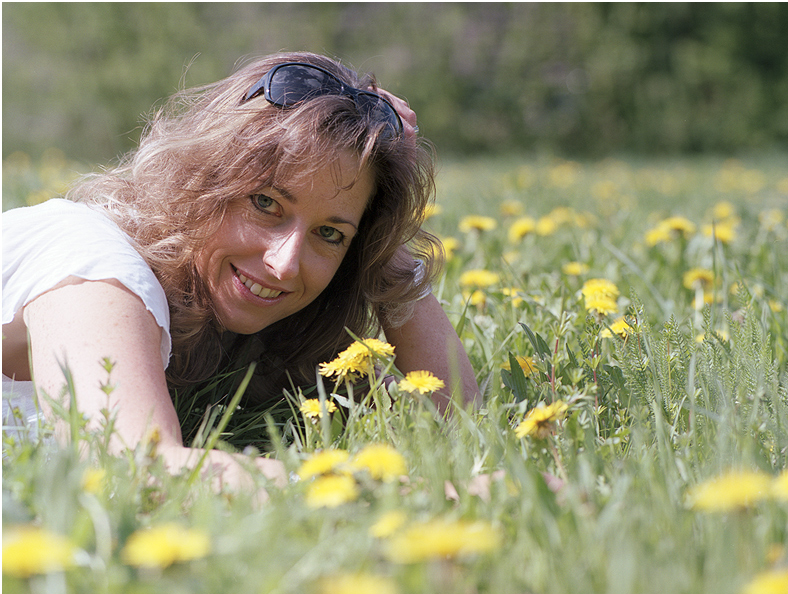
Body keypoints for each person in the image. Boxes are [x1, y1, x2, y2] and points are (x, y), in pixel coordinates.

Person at [2, 51, 479, 490]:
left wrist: (383, 254)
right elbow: (132, 466)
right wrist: (428, 496)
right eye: (265, 203)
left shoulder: (249, 329)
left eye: (330, 234)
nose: (285, 263)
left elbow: (456, 424)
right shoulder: (93, 263)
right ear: (202, 177)